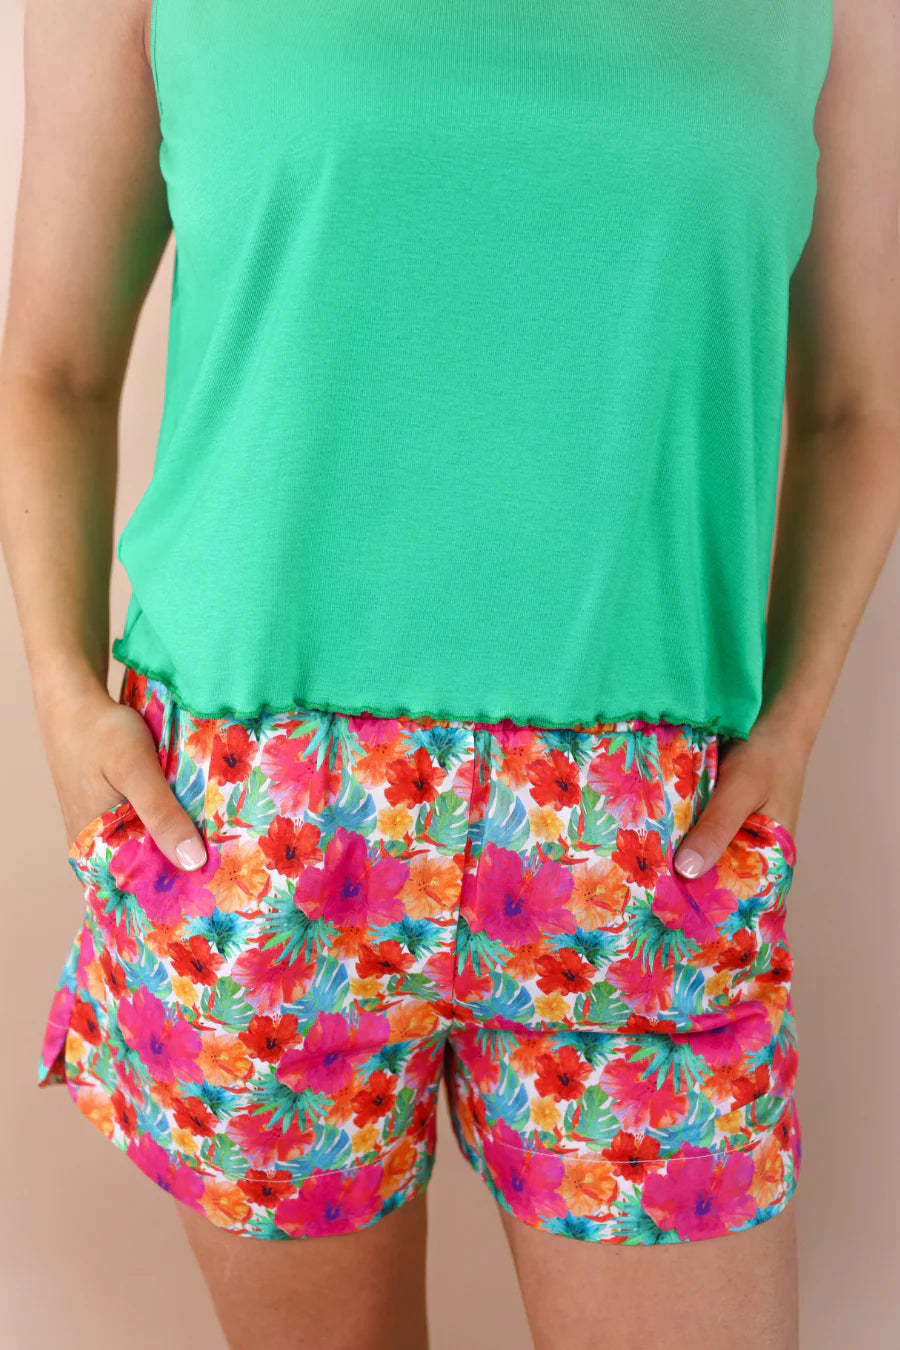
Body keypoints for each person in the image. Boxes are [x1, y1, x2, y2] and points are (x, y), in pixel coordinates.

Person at [1, 1, 897, 1347]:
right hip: (253, 831)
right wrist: (65, 706)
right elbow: (55, 365)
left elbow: (856, 405)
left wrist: (797, 724)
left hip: (651, 847)